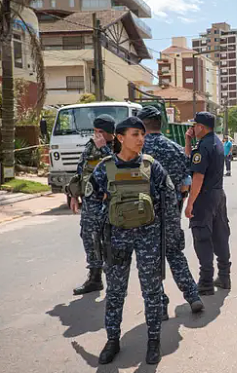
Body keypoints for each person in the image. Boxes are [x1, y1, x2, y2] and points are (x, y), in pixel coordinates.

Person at [86, 116, 178, 365]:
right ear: (119, 137)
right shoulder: (105, 167)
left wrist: (171, 234)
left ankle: (153, 340)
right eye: (135, 134)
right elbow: (91, 202)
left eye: (143, 134)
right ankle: (112, 340)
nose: (140, 139)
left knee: (152, 292)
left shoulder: (152, 166)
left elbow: (169, 200)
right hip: (117, 239)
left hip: (148, 238)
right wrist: (96, 237)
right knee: (115, 292)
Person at [138, 107, 204, 321]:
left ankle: (160, 304)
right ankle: (193, 296)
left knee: (151, 260)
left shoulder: (137, 150)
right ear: (161, 124)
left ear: (142, 126)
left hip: (144, 214)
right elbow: (186, 180)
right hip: (171, 210)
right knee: (175, 254)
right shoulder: (175, 149)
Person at [66, 114, 115, 296]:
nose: (97, 135)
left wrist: (104, 150)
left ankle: (115, 282)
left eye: (100, 132)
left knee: (110, 241)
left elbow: (117, 167)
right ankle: (95, 278)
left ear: (109, 133)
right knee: (89, 237)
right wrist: (73, 195)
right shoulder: (90, 146)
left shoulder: (118, 146)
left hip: (111, 203)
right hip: (90, 202)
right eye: (95, 131)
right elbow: (81, 170)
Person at [185, 112, 231, 296]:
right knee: (220, 234)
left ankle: (205, 282)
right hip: (219, 194)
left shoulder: (203, 146)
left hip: (204, 197)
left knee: (202, 237)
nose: (193, 128)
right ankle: (224, 276)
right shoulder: (216, 142)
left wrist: (190, 204)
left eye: (194, 125)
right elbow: (191, 160)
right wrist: (188, 141)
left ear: (201, 127)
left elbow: (198, 176)